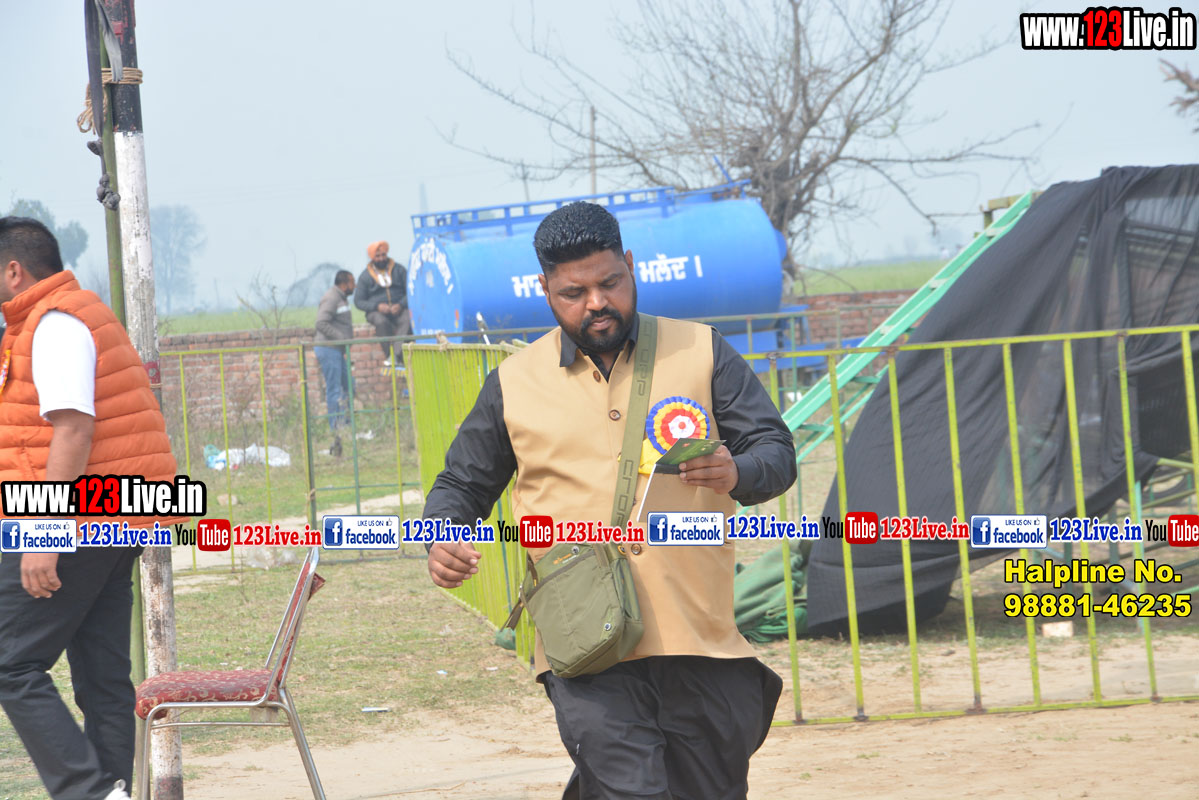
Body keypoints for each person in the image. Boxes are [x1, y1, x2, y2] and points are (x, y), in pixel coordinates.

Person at [423, 202, 796, 800]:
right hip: (584, 644)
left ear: (631, 266)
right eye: (574, 292)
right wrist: (442, 536)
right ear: (545, 289)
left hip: (698, 635)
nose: (597, 302)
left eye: (609, 282)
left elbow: (775, 452)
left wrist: (737, 470)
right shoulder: (513, 383)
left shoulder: (701, 351)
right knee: (631, 789)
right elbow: (460, 486)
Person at [0, 217, 182, 800]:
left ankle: (90, 791)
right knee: (102, 677)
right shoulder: (67, 316)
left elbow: (74, 430)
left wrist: (43, 533)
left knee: (11, 663)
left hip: (79, 519)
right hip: (113, 518)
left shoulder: (54, 324)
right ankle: (112, 788)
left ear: (14, 270)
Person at [314, 269, 356, 457]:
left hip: (337, 350)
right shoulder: (331, 298)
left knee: (349, 386)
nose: (354, 286)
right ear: (344, 283)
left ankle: (345, 424)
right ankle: (335, 428)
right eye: (352, 282)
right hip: (328, 349)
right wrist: (341, 338)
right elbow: (321, 323)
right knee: (334, 390)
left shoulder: (341, 298)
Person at [354, 240, 410, 366]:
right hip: (376, 311)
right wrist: (377, 306)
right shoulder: (365, 276)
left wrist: (400, 304)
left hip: (399, 308)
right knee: (380, 321)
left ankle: (396, 355)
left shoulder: (399, 270)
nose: (381, 258)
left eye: (383, 255)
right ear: (372, 258)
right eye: (377, 256)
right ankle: (390, 355)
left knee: (408, 318)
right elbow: (358, 301)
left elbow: (411, 291)